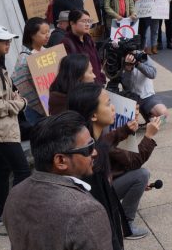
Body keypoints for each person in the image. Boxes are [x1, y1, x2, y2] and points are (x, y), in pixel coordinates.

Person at [4, 111, 112, 249]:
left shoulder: (15, 194)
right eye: (89, 148)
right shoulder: (86, 211)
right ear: (61, 160)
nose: (95, 152)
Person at [69, 84, 160, 244]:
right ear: (94, 116)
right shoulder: (91, 157)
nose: (113, 108)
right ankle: (128, 225)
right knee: (141, 175)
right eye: (108, 103)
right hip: (98, 224)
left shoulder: (95, 140)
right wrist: (148, 137)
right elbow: (133, 161)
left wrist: (123, 130)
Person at [0, 26, 31, 227]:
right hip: (3, 132)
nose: (8, 44)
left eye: (9, 41)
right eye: (3, 41)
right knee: (22, 171)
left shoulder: (1, 66)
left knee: (2, 172)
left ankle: (1, 213)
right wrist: (20, 103)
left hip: (5, 129)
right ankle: (14, 212)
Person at [11, 18, 52, 123]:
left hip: (51, 104)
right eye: (43, 33)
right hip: (34, 110)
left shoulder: (49, 52)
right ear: (32, 35)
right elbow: (21, 84)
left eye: (48, 32)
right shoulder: (24, 58)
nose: (47, 35)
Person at [62, 9, 106, 85]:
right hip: (82, 89)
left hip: (96, 84)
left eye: (89, 21)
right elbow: (70, 71)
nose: (87, 24)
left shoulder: (88, 38)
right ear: (72, 23)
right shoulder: (66, 43)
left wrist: (101, 78)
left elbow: (96, 61)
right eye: (83, 21)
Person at [119, 53, 167, 119]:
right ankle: (143, 114)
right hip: (130, 97)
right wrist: (128, 69)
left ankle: (148, 114)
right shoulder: (120, 57)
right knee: (128, 126)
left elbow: (153, 74)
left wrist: (138, 64)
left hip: (147, 96)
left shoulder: (142, 55)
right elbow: (126, 86)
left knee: (163, 114)